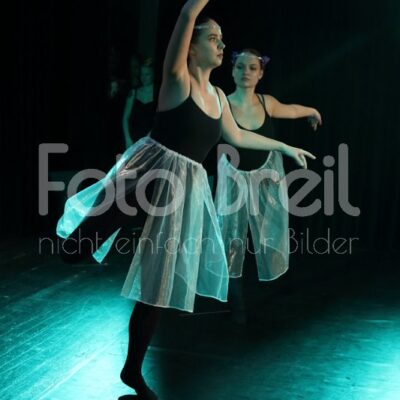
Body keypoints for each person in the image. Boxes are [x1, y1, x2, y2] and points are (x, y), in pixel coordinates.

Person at [57, 2, 316, 398]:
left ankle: (132, 371)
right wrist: (191, 13)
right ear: (191, 47)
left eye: (221, 39)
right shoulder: (178, 80)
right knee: (74, 252)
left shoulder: (218, 96)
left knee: (158, 285)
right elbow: (186, 14)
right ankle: (73, 241)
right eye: (213, 39)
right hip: (147, 174)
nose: (221, 45)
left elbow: (239, 136)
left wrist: (283, 146)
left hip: (183, 189)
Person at [215, 49, 322, 323]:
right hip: (233, 178)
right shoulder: (222, 104)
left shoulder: (266, 102)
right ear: (232, 71)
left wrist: (311, 111)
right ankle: (236, 303)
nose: (246, 72)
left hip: (265, 175)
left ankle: (277, 285)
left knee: (272, 229)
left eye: (252, 68)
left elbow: (291, 110)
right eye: (240, 67)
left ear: (261, 73)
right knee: (231, 238)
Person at [122, 57, 156, 149]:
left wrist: (147, 140)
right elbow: (125, 118)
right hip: (133, 141)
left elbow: (160, 122)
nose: (143, 77)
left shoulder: (159, 94)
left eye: (147, 74)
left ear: (153, 74)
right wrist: (127, 139)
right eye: (141, 74)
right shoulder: (133, 92)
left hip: (151, 142)